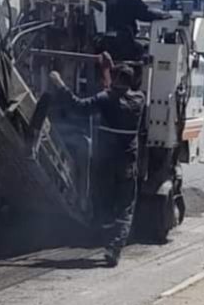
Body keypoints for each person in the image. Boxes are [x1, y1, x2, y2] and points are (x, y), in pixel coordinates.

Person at [49, 63, 145, 267]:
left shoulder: (104, 99)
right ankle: (114, 248)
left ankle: (103, 236)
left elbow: (78, 106)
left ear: (116, 79)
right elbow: (117, 93)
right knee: (125, 210)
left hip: (105, 165)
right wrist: (109, 72)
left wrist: (59, 84)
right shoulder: (139, 99)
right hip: (127, 165)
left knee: (104, 204)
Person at [98, 0, 171, 61]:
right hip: (123, 44)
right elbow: (145, 15)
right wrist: (163, 16)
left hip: (102, 45)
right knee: (143, 52)